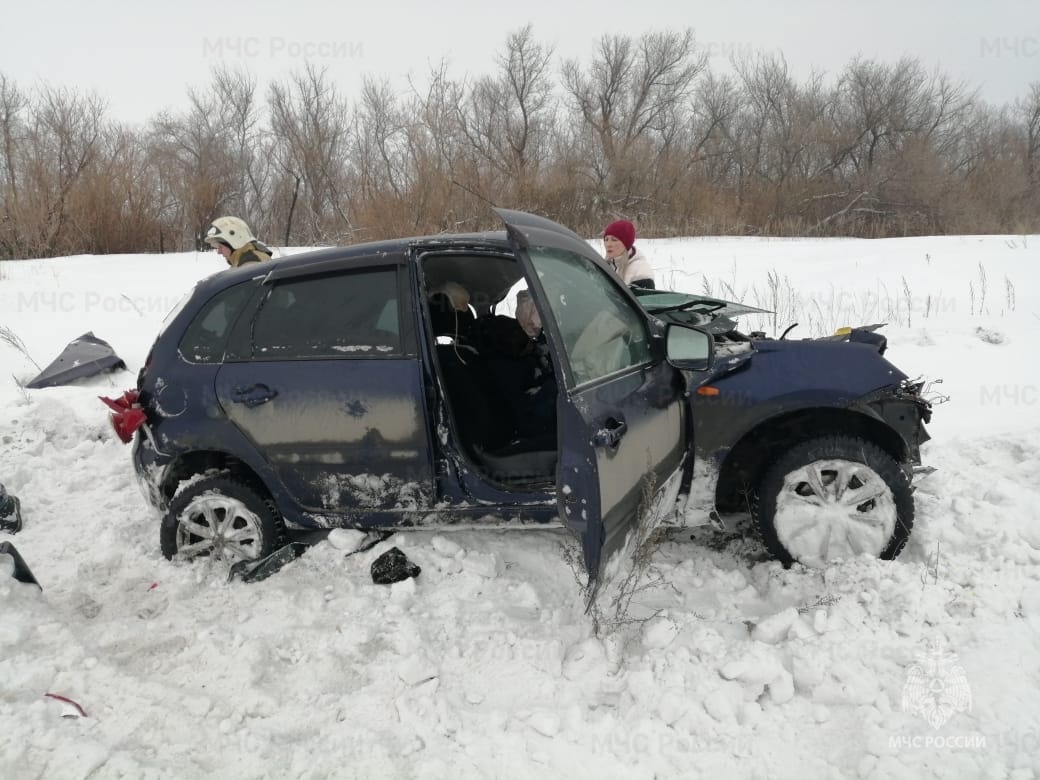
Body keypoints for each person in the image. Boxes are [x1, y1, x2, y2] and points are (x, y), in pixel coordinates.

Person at [602, 219, 655, 289]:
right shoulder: (603, 265)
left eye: (614, 240)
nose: (608, 244)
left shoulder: (640, 271)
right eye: (606, 239)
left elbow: (642, 299)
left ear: (626, 244)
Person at [203, 216, 272, 268]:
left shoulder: (250, 264)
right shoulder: (245, 259)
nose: (219, 252)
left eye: (220, 247)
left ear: (234, 241)